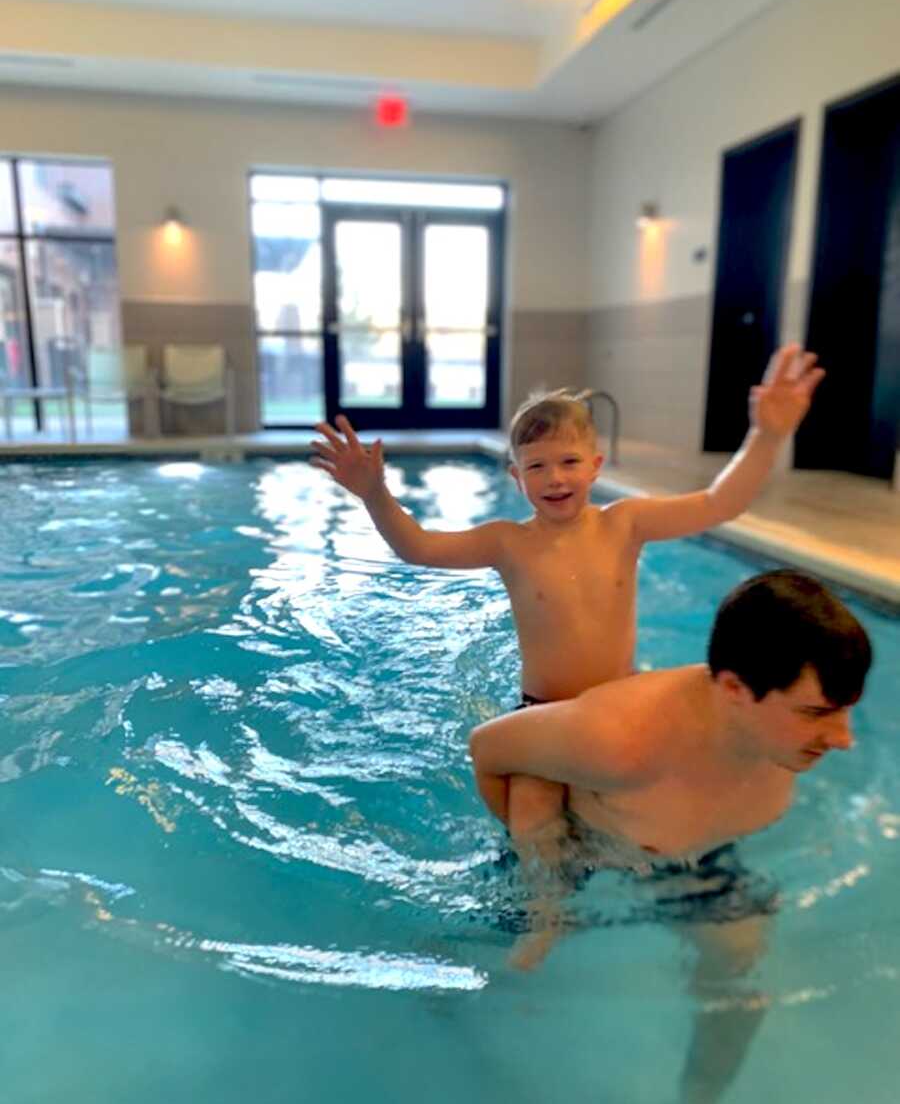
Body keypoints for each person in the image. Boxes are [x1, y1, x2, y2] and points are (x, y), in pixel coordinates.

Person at [311, 343, 824, 849]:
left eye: (569, 461)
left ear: (596, 465)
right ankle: (542, 922)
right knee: (533, 820)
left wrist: (766, 434)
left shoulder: (626, 524)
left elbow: (720, 503)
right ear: (515, 477)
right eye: (536, 467)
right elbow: (418, 548)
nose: (555, 478)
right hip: (546, 712)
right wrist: (374, 494)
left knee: (672, 797)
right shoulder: (507, 543)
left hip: (621, 707)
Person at [469, 570, 872, 1104]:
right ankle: (447, 1017)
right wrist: (542, 871)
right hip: (585, 839)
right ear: (735, 689)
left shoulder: (777, 739)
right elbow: (490, 749)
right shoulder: (618, 741)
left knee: (742, 976)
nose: (843, 740)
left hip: (691, 853)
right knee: (493, 952)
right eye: (817, 712)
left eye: (844, 713)